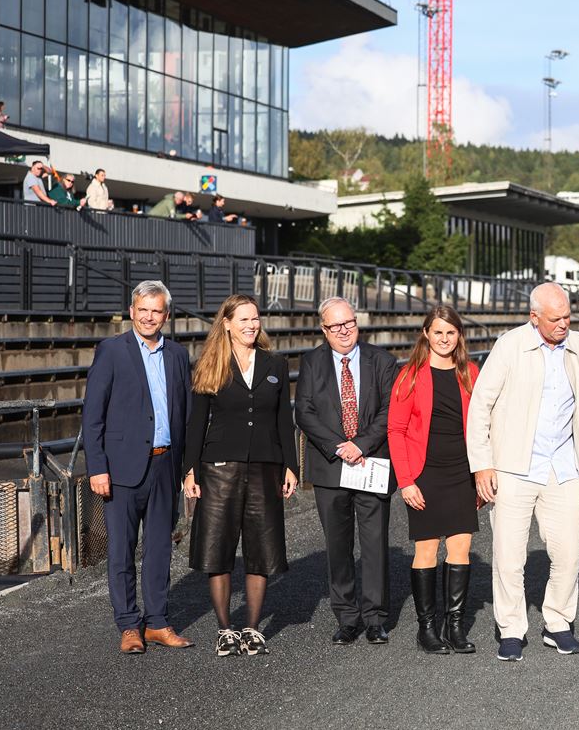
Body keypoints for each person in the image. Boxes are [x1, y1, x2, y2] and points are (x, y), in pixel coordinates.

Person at [467, 282, 579, 662]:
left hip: (563, 466)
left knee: (570, 552)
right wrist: (482, 464)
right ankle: (511, 629)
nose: (563, 324)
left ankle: (557, 623)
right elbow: (480, 406)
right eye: (555, 319)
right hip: (514, 467)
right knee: (509, 556)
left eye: (568, 316)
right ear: (533, 317)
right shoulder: (510, 346)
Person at [182, 294, 299, 657]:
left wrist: (291, 465)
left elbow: (284, 420)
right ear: (227, 323)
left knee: (261, 548)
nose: (252, 325)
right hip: (218, 468)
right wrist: (189, 469)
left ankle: (252, 627)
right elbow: (197, 422)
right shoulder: (211, 364)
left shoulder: (275, 364)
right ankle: (225, 629)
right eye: (244, 319)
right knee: (217, 547)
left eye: (256, 319)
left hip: (265, 466)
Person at [81, 281, 193, 654]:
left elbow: (187, 415)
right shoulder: (111, 351)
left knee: (160, 548)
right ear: (132, 311)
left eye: (156, 310)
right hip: (122, 469)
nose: (148, 317)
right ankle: (129, 625)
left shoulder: (177, 355)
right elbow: (93, 415)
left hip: (166, 466)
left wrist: (188, 468)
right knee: (122, 551)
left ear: (166, 315)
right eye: (142, 309)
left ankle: (158, 622)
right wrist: (97, 467)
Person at [295, 297, 398, 648]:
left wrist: (361, 445)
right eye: (335, 326)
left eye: (349, 323)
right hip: (331, 465)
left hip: (371, 463)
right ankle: (347, 617)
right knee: (337, 546)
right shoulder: (311, 362)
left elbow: (389, 410)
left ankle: (375, 618)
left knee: (374, 544)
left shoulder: (382, 361)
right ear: (324, 330)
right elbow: (304, 412)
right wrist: (340, 445)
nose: (344, 331)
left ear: (358, 323)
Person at [388, 306, 481, 655]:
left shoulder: (470, 373)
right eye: (438, 332)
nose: (444, 339)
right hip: (424, 473)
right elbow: (395, 431)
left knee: (460, 548)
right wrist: (406, 480)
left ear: (459, 336)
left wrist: (483, 472)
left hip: (461, 472)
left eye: (451, 333)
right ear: (426, 333)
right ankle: (427, 628)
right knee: (426, 549)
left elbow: (484, 424)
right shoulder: (410, 375)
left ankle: (455, 627)